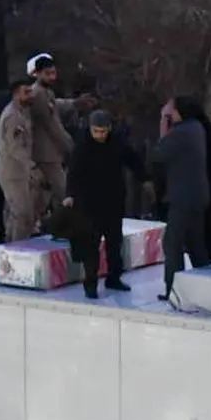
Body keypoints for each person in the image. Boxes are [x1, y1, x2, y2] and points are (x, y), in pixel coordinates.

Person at [63, 111, 154, 298]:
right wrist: (70, 195)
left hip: (113, 201)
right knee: (91, 246)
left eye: (103, 131)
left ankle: (114, 277)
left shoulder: (117, 143)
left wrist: (145, 179)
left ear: (109, 129)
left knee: (114, 243)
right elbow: (73, 173)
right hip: (89, 203)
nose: (100, 136)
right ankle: (90, 284)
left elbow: (133, 160)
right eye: (96, 131)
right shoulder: (82, 147)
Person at [152, 96, 211, 300]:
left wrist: (163, 121)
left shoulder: (181, 132)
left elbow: (159, 153)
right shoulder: (196, 128)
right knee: (196, 245)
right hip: (198, 195)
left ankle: (173, 290)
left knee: (172, 243)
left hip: (183, 197)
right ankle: (206, 286)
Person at [26, 53, 84, 218]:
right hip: (46, 155)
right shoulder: (38, 94)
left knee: (43, 198)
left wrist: (74, 103)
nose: (52, 77)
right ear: (37, 73)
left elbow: (56, 105)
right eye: (48, 74)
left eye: (54, 73)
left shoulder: (45, 92)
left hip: (50, 154)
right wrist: (72, 148)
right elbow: (53, 126)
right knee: (65, 193)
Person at [0, 79, 38, 242]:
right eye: (25, 92)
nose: (30, 95)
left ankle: (13, 247)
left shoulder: (22, 112)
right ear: (15, 94)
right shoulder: (12, 116)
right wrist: (31, 166)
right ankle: (18, 248)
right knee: (22, 214)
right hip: (12, 172)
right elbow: (14, 148)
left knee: (16, 215)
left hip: (19, 171)